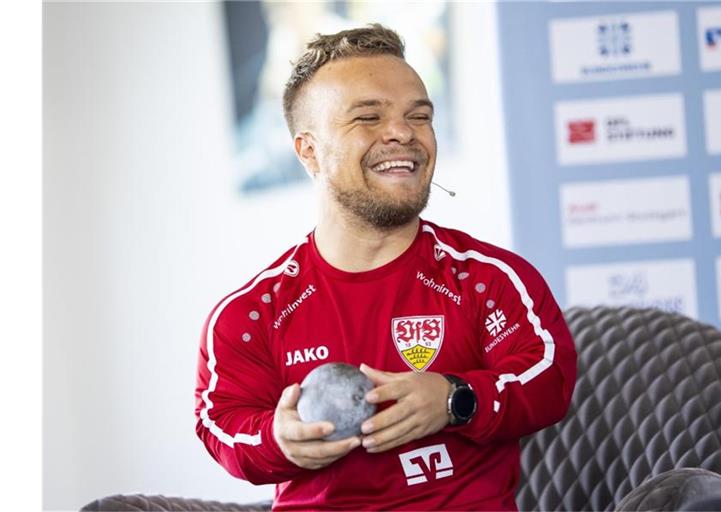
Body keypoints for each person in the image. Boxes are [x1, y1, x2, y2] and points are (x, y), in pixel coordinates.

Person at [195, 24, 577, 511]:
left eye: (419, 116)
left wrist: (455, 397)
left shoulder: (489, 280)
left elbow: (550, 376)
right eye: (367, 118)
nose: (402, 133)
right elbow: (219, 423)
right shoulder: (250, 315)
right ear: (308, 150)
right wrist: (279, 438)